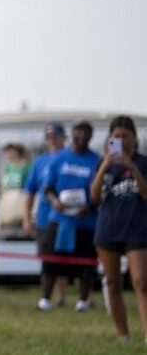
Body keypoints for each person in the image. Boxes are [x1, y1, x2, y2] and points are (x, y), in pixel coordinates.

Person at [91, 116, 147, 343]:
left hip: (137, 227)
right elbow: (95, 197)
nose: (121, 140)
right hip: (109, 228)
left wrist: (132, 167)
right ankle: (123, 335)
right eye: (116, 136)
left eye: (125, 136)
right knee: (113, 282)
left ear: (134, 137)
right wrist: (105, 166)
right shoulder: (103, 163)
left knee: (141, 282)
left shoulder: (143, 162)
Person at [38, 121, 100, 312]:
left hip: (85, 221)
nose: (81, 137)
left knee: (85, 262)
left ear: (91, 136)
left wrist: (89, 206)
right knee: (51, 261)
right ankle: (45, 300)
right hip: (59, 219)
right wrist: (55, 202)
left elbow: (101, 191)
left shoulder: (96, 160)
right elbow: (47, 188)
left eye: (86, 134)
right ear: (72, 135)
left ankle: (83, 300)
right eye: (78, 133)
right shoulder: (59, 159)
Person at [24, 123, 69, 306]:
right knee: (48, 258)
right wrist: (27, 217)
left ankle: (64, 296)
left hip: (67, 216)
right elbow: (30, 191)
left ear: (63, 137)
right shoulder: (39, 162)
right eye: (48, 136)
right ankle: (47, 296)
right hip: (44, 216)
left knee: (67, 256)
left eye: (55, 135)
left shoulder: (70, 157)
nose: (52, 139)